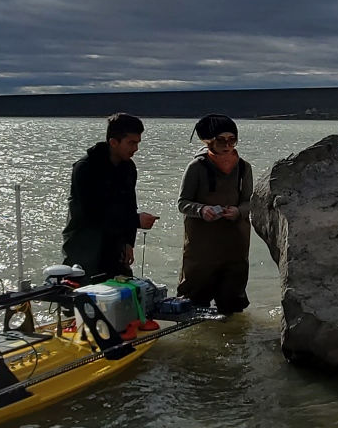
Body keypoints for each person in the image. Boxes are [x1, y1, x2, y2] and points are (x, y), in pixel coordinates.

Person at [61, 113, 158, 277]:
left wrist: (129, 241)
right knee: (85, 294)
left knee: (125, 291)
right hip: (85, 245)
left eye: (137, 143)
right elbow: (91, 214)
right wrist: (136, 220)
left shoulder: (128, 167)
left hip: (115, 244)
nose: (136, 149)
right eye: (131, 143)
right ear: (114, 142)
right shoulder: (85, 168)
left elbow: (129, 205)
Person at [176, 114, 254, 314]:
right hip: (202, 250)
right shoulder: (196, 167)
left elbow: (250, 202)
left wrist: (238, 211)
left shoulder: (244, 167)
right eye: (221, 140)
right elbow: (183, 203)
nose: (227, 145)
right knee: (193, 304)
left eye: (232, 140)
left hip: (234, 247)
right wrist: (201, 210)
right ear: (209, 141)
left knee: (232, 307)